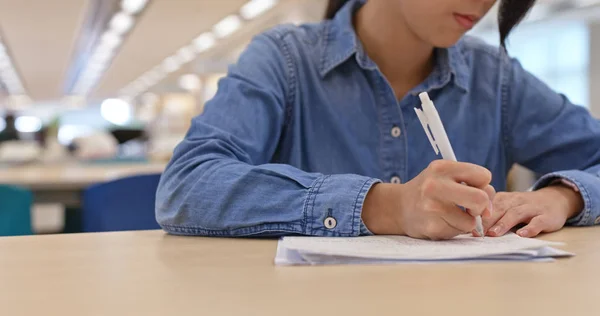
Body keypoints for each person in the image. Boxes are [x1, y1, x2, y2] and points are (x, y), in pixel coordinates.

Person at [156, 0, 600, 240]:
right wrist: (384, 206)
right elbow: (187, 186)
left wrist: (564, 198)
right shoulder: (285, 61)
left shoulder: (497, 79)